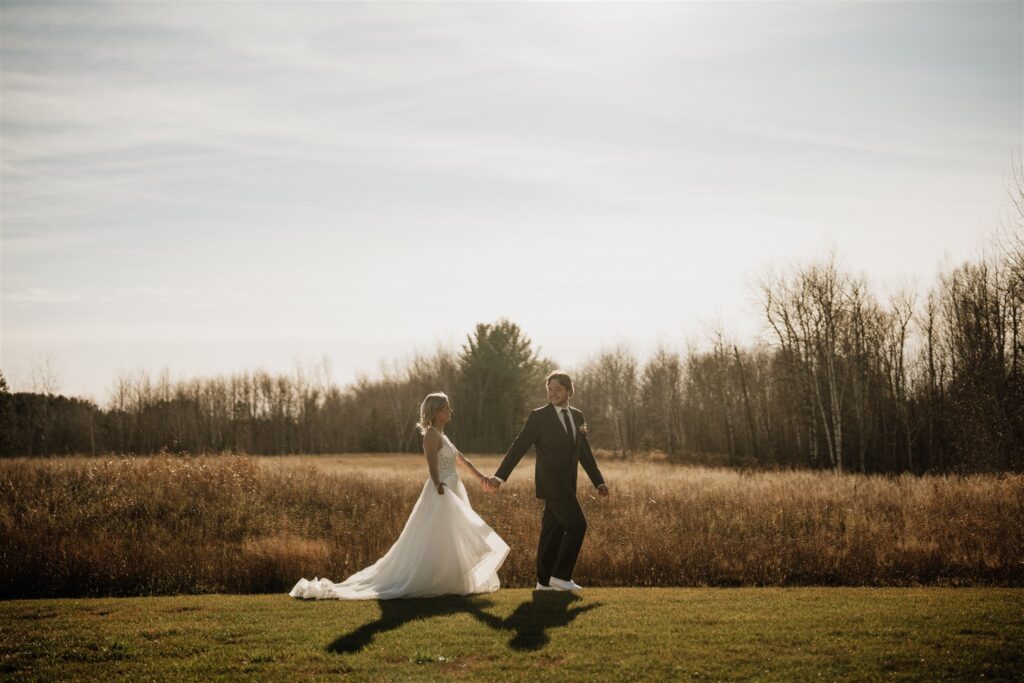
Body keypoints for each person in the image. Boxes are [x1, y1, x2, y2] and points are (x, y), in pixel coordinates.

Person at [290, 392, 509, 600]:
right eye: (446, 407)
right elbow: (432, 464)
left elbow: (462, 460)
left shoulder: (444, 436)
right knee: (441, 534)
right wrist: (437, 484)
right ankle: (434, 580)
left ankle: (450, 579)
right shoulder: (431, 436)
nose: (451, 410)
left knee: (452, 534)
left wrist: (482, 478)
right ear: (437, 412)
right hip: (442, 490)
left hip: (454, 487)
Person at [485, 371, 608, 592]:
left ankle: (543, 582)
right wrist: (500, 476)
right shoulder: (539, 416)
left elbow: (584, 453)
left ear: (569, 391)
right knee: (578, 525)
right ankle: (561, 576)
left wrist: (598, 481)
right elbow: (519, 445)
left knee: (552, 531)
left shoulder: (578, 416)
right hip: (551, 483)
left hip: (568, 482)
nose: (552, 393)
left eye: (558, 389)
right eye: (549, 389)